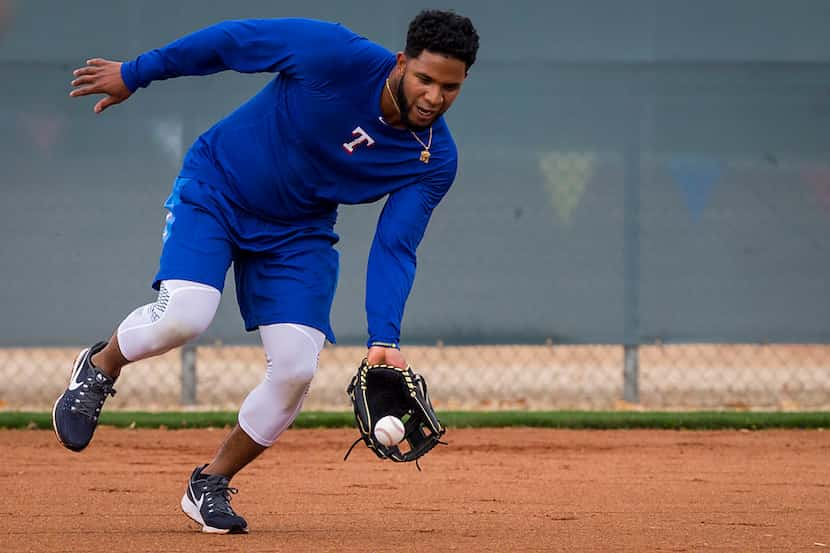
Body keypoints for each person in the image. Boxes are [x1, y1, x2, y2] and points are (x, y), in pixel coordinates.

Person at [52, 10, 479, 534]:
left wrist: (383, 337)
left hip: (298, 233)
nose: (435, 96)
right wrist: (137, 72)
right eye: (425, 78)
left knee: (297, 369)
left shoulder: (433, 160)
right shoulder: (334, 54)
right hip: (220, 187)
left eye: (451, 87)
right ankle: (100, 366)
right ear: (401, 62)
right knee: (184, 316)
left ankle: (208, 482)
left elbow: (395, 246)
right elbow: (233, 42)